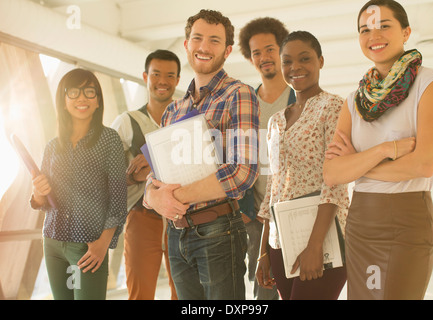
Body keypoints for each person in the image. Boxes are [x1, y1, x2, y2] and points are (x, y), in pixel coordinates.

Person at [323, 0, 433, 300]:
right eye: (365, 29)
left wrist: (358, 165)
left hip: (408, 218)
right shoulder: (354, 100)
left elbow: (425, 165)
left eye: (384, 26)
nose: (373, 35)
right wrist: (385, 150)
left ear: (406, 32)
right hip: (362, 220)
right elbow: (332, 173)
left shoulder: (429, 83)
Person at [143, 9, 260, 300]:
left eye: (214, 41)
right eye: (197, 38)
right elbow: (156, 173)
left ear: (227, 50)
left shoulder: (239, 95)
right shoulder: (173, 110)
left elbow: (242, 172)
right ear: (186, 44)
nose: (204, 47)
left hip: (218, 232)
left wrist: (174, 198)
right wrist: (152, 195)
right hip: (175, 233)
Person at [256, 31, 349, 300]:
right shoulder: (275, 121)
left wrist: (315, 245)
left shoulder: (333, 107)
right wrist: (264, 251)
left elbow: (336, 181)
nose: (295, 67)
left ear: (320, 61)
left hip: (323, 237)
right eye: (287, 61)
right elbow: (272, 187)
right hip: (280, 239)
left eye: (305, 59)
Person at [30, 68, 128, 300]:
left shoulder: (109, 140)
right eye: (73, 92)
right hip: (53, 242)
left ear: (98, 101)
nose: (82, 98)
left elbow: (118, 200)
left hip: (88, 246)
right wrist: (37, 192)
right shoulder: (52, 146)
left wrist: (102, 244)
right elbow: (43, 202)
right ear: (63, 102)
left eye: (89, 92)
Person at [111, 50, 180, 300]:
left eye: (170, 75)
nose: (163, 81)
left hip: (181, 220)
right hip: (142, 218)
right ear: (145, 77)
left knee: (183, 293)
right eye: (156, 74)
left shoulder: (185, 121)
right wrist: (132, 177)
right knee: (140, 293)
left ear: (177, 80)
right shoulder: (127, 122)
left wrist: (154, 161)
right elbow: (107, 177)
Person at [238, 17, 294, 300]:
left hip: (292, 210)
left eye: (269, 49)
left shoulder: (300, 98)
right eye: (256, 52)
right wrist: (246, 208)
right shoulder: (245, 102)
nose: (263, 57)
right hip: (254, 214)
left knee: (298, 285)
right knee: (264, 290)